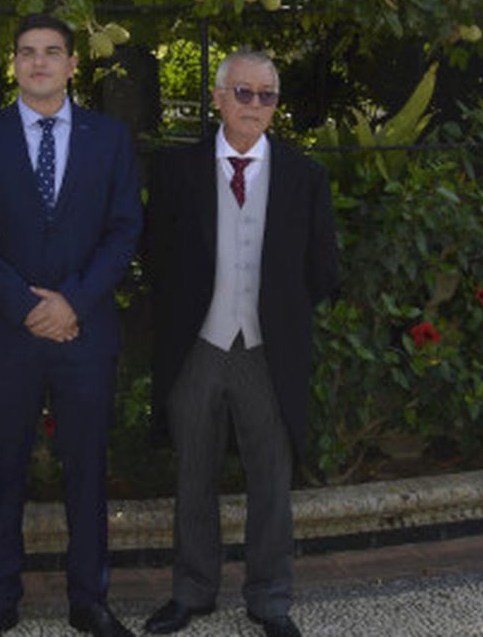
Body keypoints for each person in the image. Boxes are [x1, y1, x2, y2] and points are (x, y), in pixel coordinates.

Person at [0, 15, 142, 637]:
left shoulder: (110, 137)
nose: (39, 62)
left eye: (52, 52)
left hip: (83, 333)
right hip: (7, 333)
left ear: (72, 64)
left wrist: (73, 304)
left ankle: (90, 600)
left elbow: (124, 231)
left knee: (86, 469)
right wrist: (26, 306)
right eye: (27, 53)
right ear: (13, 62)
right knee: (3, 469)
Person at [142, 51, 338, 637]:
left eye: (267, 96)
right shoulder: (177, 170)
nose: (256, 105)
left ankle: (270, 598)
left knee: (271, 480)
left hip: (267, 351)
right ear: (220, 98)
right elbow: (155, 257)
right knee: (192, 475)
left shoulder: (306, 175)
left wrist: (281, 313)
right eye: (244, 93)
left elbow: (323, 269)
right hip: (197, 346)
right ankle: (192, 591)